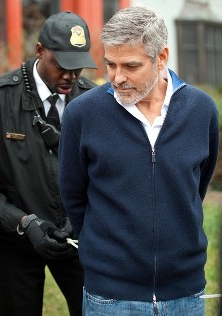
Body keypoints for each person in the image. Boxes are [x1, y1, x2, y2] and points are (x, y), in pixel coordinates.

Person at [58, 5, 220, 316]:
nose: (118, 78)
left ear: (161, 57)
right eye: (110, 64)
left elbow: (195, 187)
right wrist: (106, 256)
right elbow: (73, 195)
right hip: (110, 297)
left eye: (130, 66)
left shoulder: (202, 110)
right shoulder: (82, 114)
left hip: (185, 294)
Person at [0, 11, 97, 316]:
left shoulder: (96, 103)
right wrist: (23, 223)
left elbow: (108, 175)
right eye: (62, 64)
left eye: (77, 64)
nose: (71, 75)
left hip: (80, 240)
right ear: (40, 51)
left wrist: (82, 218)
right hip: (14, 243)